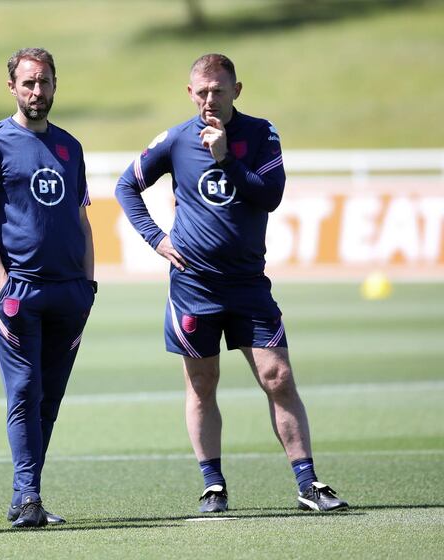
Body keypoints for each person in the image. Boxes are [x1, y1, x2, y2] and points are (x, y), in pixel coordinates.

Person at [115, 53, 348, 513]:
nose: (209, 100)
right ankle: (213, 485)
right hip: (193, 286)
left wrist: (226, 159)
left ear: (236, 91)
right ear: (189, 93)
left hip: (247, 284)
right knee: (202, 382)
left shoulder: (262, 135)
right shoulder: (175, 140)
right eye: (201, 92)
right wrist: (155, 238)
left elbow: (271, 196)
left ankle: (308, 482)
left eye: (218, 91)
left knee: (277, 376)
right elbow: (126, 186)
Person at [0, 47, 96, 528]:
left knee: (50, 399)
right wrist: (2, 285)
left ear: (55, 84)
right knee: (24, 389)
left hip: (70, 294)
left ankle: (29, 496)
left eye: (43, 82)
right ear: (12, 87)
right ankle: (26, 496)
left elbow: (82, 221)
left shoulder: (70, 146)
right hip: (20, 291)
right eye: (27, 83)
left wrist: (89, 285)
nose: (36, 91)